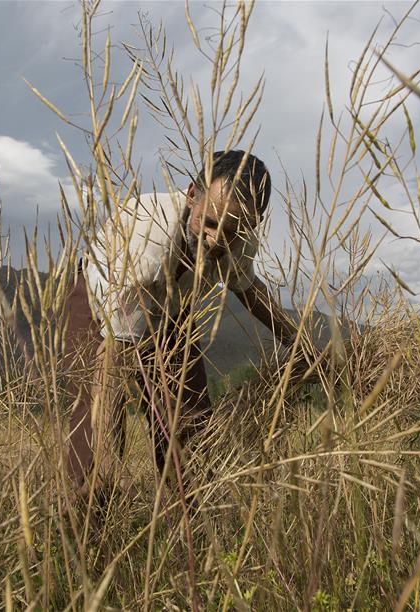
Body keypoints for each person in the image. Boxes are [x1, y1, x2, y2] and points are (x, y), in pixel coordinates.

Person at [73, 150, 302, 496]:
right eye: (210, 224)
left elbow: (249, 289)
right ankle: (87, 518)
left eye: (232, 233)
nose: (215, 242)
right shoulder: (148, 234)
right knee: (91, 440)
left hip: (171, 311)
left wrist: (302, 346)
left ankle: (188, 524)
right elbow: (113, 358)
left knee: (191, 428)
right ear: (192, 194)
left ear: (252, 223)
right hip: (101, 302)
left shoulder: (237, 231)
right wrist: (107, 460)